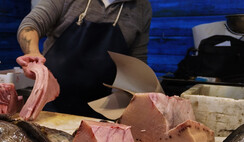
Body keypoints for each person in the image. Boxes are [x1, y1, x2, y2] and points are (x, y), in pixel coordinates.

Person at [16, 0, 152, 118]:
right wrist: (33, 53)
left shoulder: (141, 8)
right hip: (49, 103)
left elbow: (137, 63)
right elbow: (30, 25)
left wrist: (144, 101)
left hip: (101, 111)